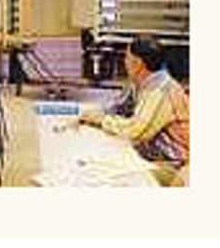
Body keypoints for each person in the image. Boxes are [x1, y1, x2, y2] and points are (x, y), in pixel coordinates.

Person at [79, 35, 189, 186]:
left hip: (173, 162)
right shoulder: (139, 82)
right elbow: (118, 107)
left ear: (138, 64)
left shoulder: (161, 90)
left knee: (114, 181)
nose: (124, 61)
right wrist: (91, 115)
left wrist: (101, 120)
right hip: (149, 154)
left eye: (127, 57)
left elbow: (136, 130)